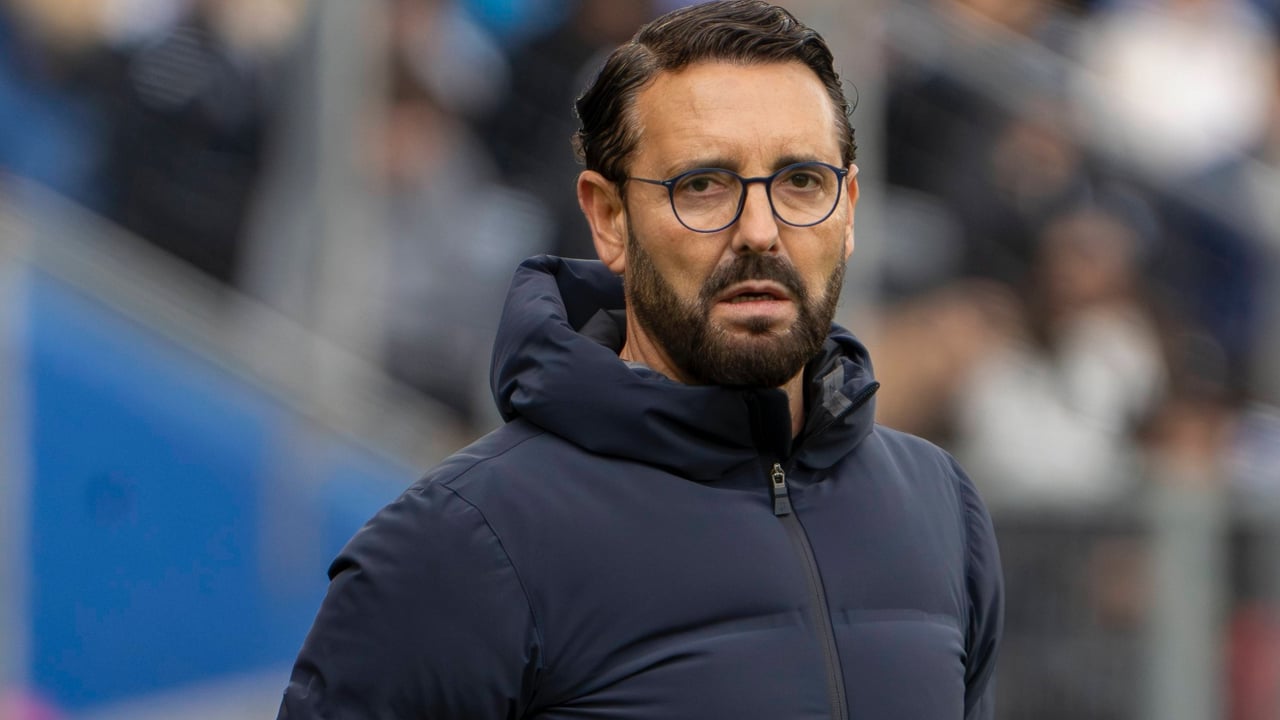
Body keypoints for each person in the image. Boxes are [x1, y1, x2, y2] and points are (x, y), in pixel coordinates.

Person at [277, 2, 1003, 718]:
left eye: (801, 182)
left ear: (848, 209)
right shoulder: (458, 543)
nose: (760, 230)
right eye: (703, 185)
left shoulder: (940, 506)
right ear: (608, 219)